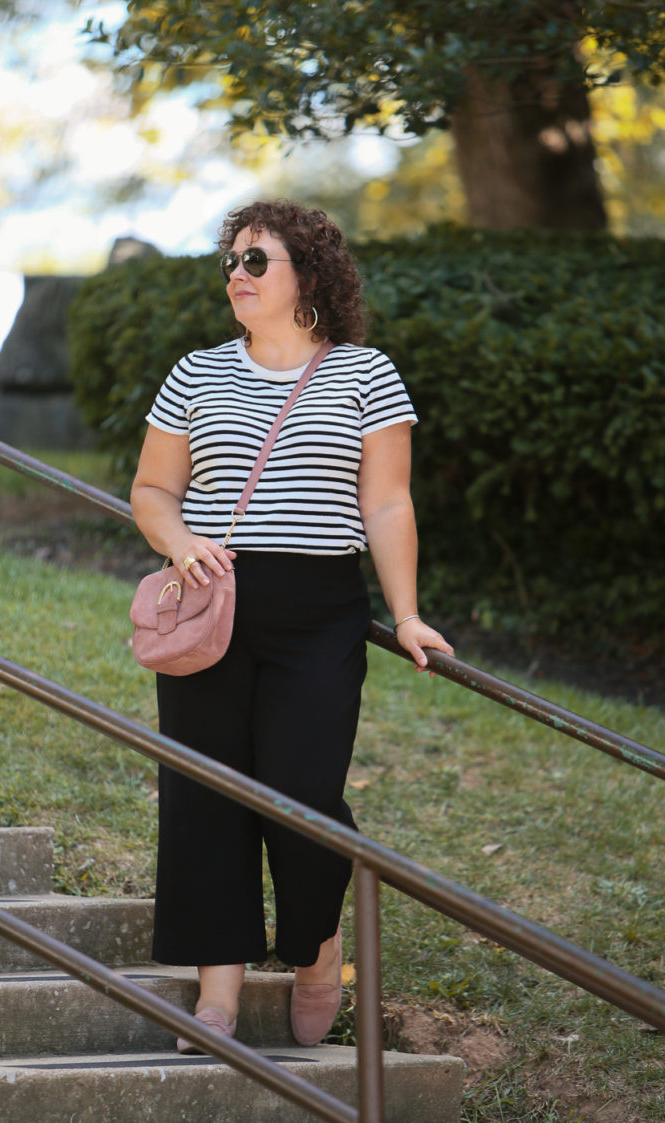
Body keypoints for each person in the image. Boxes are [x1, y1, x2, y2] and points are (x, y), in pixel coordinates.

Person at [130, 199, 453, 1052]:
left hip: (319, 614)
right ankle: (217, 1000)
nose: (237, 272)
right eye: (231, 260)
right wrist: (180, 539)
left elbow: (385, 502)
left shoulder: (366, 374)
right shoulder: (195, 374)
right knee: (203, 794)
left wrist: (409, 613)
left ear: (308, 274)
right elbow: (152, 491)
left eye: (257, 259)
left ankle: (314, 947)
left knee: (303, 794)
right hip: (213, 603)